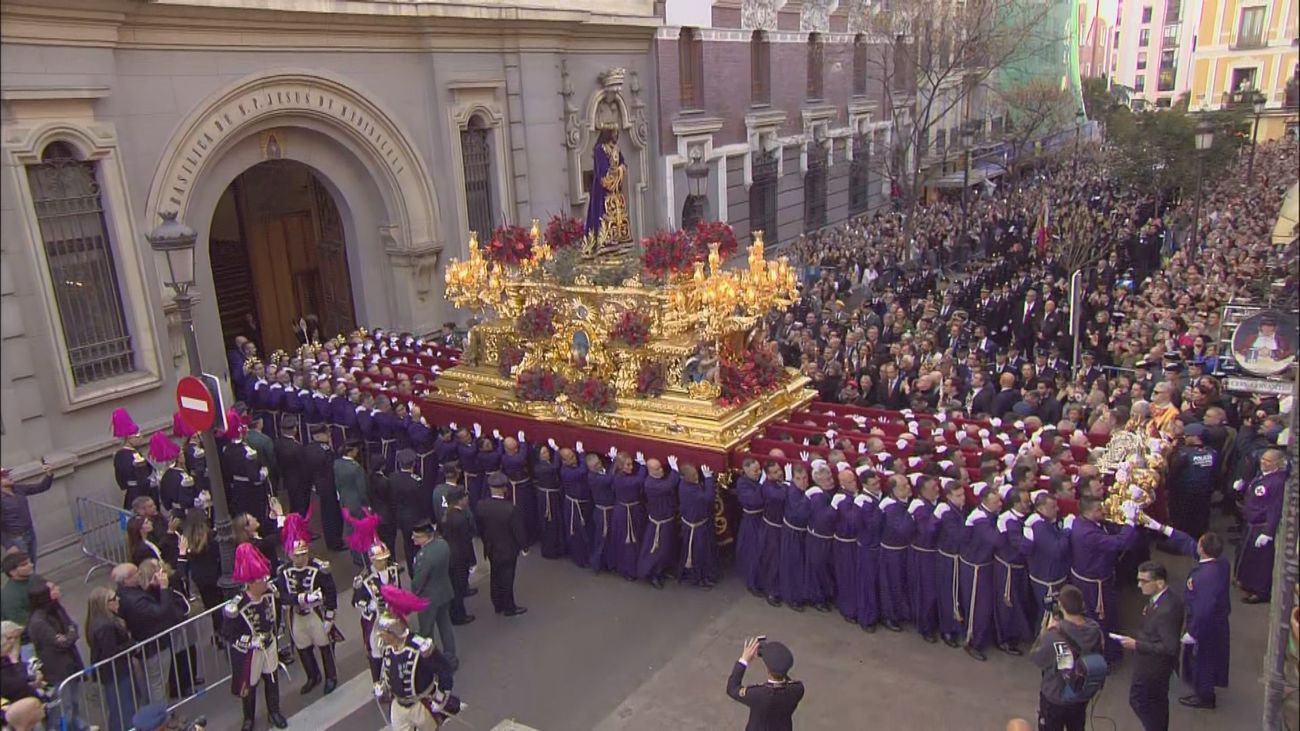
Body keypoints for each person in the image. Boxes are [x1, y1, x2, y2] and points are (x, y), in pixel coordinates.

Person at [373, 585, 462, 731]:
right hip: (398, 706)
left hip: (421, 704)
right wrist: (383, 687)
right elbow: (389, 671)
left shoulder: (419, 647)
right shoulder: (388, 649)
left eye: (385, 634)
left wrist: (440, 698)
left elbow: (444, 670)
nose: (382, 638)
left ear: (394, 632)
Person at [222, 544, 288, 731]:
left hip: (269, 644)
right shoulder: (237, 606)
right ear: (251, 582)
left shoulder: (270, 594)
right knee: (249, 687)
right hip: (251, 652)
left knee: (272, 679)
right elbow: (228, 634)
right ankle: (248, 718)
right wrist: (250, 642)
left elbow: (278, 612)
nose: (265, 582)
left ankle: (274, 711)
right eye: (261, 579)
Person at [274, 513, 340, 697]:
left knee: (324, 645)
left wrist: (330, 616)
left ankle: (331, 676)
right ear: (289, 554)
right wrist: (301, 599)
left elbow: (330, 592)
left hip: (316, 613)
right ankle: (313, 676)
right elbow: (282, 596)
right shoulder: (284, 572)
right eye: (297, 555)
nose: (301, 558)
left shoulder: (319, 568)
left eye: (303, 554)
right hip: (296, 614)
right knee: (303, 648)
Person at [1116, 561, 1184, 731]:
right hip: (1151, 664)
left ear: (1160, 583)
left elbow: (1170, 647)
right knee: (1157, 703)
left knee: (1140, 700)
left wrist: (1137, 644)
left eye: (1144, 581)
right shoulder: (1163, 601)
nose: (1139, 585)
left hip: (1153, 668)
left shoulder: (1166, 610)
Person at [1028, 584, 1104, 731]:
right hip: (1081, 692)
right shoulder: (1094, 629)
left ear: (1061, 606)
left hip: (1056, 696)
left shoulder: (1056, 636)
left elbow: (1038, 658)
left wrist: (1046, 631)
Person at [113, 562, 185, 706]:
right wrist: (164, 589)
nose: (140, 575)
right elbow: (160, 613)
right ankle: (161, 720)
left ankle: (161, 716)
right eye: (136, 573)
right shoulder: (134, 601)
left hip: (149, 645)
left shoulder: (128, 593)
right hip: (155, 646)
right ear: (126, 580)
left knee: (154, 683)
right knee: (157, 685)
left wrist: (152, 587)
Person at [1176, 531, 1231, 710]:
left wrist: (1193, 632)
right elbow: (1188, 543)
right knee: (1208, 658)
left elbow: (1203, 608)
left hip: (1206, 626)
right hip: (1217, 622)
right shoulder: (1221, 564)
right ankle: (1204, 691)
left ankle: (1204, 696)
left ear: (1202, 549)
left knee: (1202, 660)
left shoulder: (1204, 577)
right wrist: (1161, 528)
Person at [25, 580, 87, 730]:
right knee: (64, 708)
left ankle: (76, 726)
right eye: (52, 588)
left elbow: (72, 626)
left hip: (70, 663)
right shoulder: (38, 622)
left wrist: (70, 633)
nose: (57, 589)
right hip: (57, 670)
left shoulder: (56, 608)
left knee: (74, 702)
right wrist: (70, 634)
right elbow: (62, 642)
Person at [1234, 448, 1286, 604]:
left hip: (1261, 526)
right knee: (1247, 555)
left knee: (1260, 561)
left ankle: (1260, 591)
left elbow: (1274, 508)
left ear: (1277, 463)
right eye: (1263, 459)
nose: (1263, 462)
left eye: (1268, 461)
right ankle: (1246, 581)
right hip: (1250, 524)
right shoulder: (1263, 475)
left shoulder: (1277, 482)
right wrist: (1244, 486)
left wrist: (1268, 532)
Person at [86, 586, 139, 731]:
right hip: (116, 672)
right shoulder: (105, 626)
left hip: (114, 671)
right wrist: (131, 643)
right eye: (114, 599)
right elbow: (111, 652)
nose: (118, 600)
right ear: (105, 604)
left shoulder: (102, 621)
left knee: (120, 707)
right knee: (123, 708)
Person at [475, 473, 528, 617]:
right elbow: (518, 530)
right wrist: (524, 546)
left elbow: (479, 527)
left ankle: (497, 604)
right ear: (504, 488)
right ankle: (509, 607)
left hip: (491, 547)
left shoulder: (481, 505)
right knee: (507, 577)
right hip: (508, 549)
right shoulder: (511, 508)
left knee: (495, 575)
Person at [725, 637, 805, 731]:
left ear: (768, 670)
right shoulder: (798, 689)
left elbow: (732, 688)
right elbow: (783, 675)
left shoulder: (758, 694)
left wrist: (744, 660)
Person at [410, 521, 457, 669]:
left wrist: (414, 596)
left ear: (426, 537)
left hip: (428, 600)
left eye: (417, 536)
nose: (413, 538)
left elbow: (418, 581)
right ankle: (451, 657)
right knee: (445, 626)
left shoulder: (423, 557)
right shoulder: (442, 545)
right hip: (444, 592)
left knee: (426, 631)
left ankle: (430, 662)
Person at [0, 463, 54, 564]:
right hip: (16, 538)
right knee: (24, 565)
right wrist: (8, 545)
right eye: (5, 476)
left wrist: (49, 474)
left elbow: (41, 487)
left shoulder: (18, 489)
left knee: (32, 563)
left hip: (30, 533)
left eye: (8, 474)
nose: (9, 477)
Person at [1, 620, 47, 731]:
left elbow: (19, 676)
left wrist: (33, 677)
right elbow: (13, 684)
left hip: (28, 715)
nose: (13, 643)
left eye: (16, 638)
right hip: (13, 719)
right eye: (9, 638)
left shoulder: (7, 660)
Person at [677, 462, 718, 588]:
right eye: (693, 475)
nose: (696, 477)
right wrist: (709, 479)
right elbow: (708, 497)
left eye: (696, 474)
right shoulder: (689, 490)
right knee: (698, 554)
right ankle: (697, 578)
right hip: (695, 528)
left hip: (700, 524)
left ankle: (703, 575)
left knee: (704, 552)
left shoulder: (687, 484)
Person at [441, 487, 477, 627]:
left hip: (449, 555)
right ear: (460, 500)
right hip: (459, 556)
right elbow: (466, 541)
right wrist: (472, 560)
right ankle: (459, 616)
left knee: (454, 586)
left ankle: (454, 613)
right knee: (459, 588)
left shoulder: (446, 515)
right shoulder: (462, 518)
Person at [390, 449, 430, 574]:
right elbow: (424, 501)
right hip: (416, 518)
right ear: (413, 464)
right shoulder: (417, 481)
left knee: (407, 545)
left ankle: (412, 571)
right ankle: (420, 571)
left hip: (401, 517)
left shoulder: (393, 478)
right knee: (420, 545)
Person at [112, 407, 154, 510]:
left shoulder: (129, 453)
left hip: (140, 491)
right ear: (129, 438)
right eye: (137, 437)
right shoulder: (125, 456)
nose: (140, 439)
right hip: (138, 493)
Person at [1, 552, 43, 628]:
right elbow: (22, 623)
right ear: (13, 572)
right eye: (24, 565)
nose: (31, 565)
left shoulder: (36, 578)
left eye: (30, 562)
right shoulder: (10, 596)